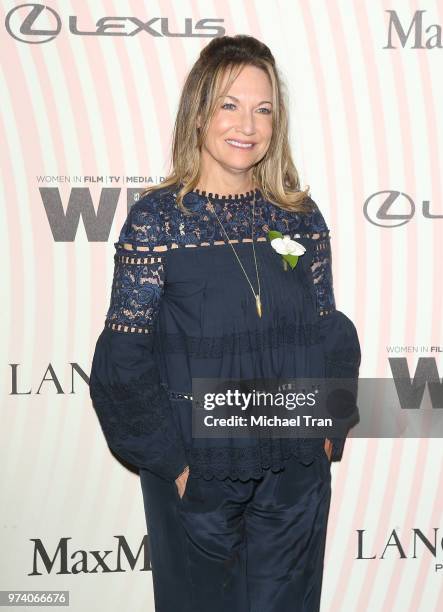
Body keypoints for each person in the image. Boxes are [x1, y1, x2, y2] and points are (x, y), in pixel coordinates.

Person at [89, 34, 361, 612]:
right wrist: (176, 466)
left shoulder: (298, 215)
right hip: (201, 476)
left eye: (263, 109)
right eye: (229, 104)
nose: (247, 123)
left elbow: (325, 325)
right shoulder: (158, 221)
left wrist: (327, 426)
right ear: (198, 114)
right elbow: (125, 357)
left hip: (293, 470)